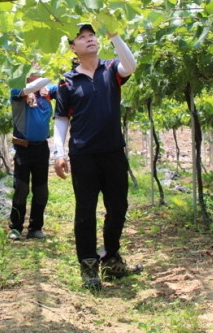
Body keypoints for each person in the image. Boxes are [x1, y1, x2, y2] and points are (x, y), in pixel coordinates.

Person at [53, 23, 143, 290]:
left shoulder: (112, 68)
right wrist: (58, 153)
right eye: (82, 37)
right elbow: (61, 119)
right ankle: (89, 265)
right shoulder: (67, 81)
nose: (89, 39)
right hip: (83, 154)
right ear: (73, 48)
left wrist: (114, 35)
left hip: (113, 151)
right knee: (85, 211)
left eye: (92, 35)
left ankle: (111, 258)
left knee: (118, 207)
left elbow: (131, 65)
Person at [8, 71, 58, 240]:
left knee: (41, 189)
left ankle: (35, 228)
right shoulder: (17, 91)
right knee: (21, 188)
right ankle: (16, 227)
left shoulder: (47, 92)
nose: (38, 76)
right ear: (26, 77)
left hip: (41, 148)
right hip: (23, 148)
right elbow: (30, 88)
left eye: (39, 73)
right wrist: (50, 75)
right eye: (34, 73)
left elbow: (64, 88)